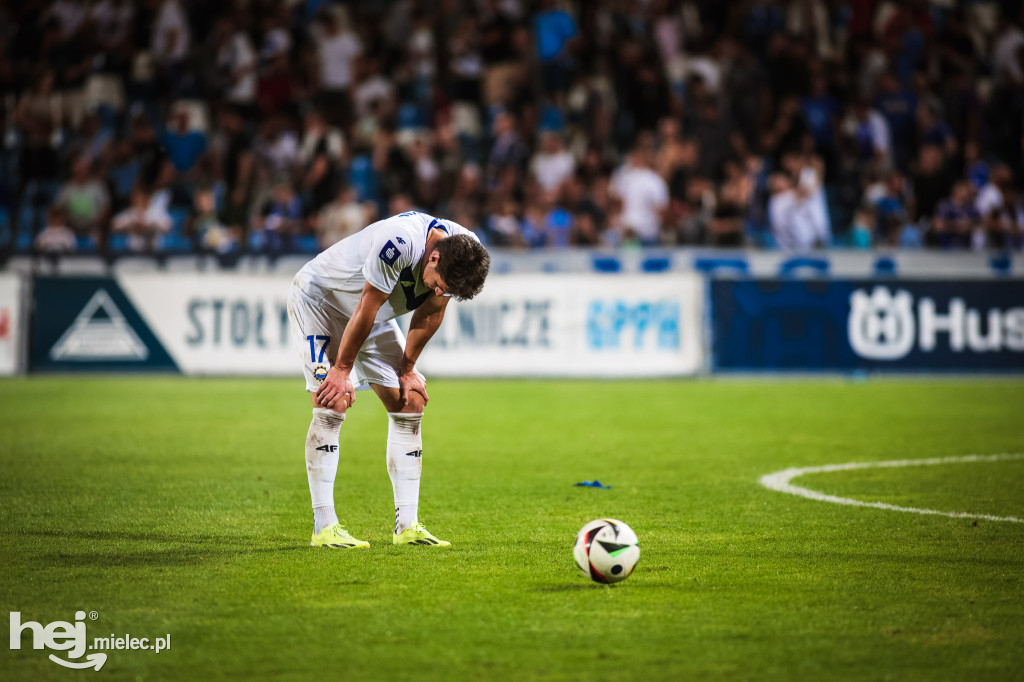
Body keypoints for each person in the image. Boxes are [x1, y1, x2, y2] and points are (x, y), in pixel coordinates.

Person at [287, 211, 490, 549]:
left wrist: (408, 368)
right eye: (439, 283)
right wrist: (340, 370)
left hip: (371, 315)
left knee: (410, 399)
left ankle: (407, 526)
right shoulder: (398, 242)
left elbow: (433, 311)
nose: (439, 291)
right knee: (332, 399)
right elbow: (366, 306)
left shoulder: (464, 252)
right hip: (320, 300)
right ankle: (324, 526)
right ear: (434, 255)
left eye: (447, 290)